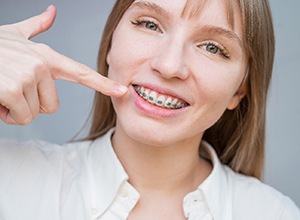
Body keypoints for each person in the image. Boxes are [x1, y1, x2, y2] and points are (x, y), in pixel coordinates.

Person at [0, 0, 299, 219]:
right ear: (110, 44)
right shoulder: (10, 181)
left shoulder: (274, 213)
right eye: (150, 24)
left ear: (240, 89)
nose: (169, 66)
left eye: (212, 47)